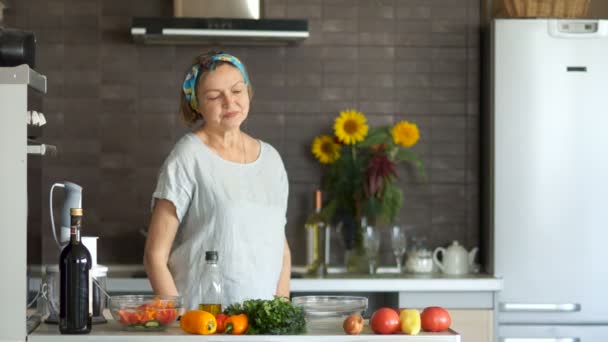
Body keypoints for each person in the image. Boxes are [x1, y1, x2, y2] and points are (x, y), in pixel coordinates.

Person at [143, 51, 291, 310]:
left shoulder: (271, 160)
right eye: (214, 96)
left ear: (248, 92)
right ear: (196, 104)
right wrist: (180, 323)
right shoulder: (187, 157)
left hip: (261, 328)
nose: (229, 102)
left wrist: (279, 315)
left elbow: (281, 248)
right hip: (204, 325)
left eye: (237, 91)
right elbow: (155, 256)